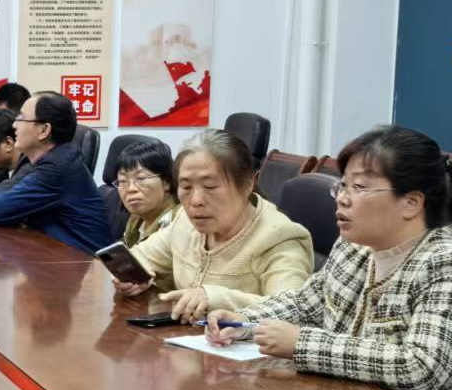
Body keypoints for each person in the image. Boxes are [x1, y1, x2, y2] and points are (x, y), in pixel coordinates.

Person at [206, 126, 452, 390]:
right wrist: (245, 321)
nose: (342, 198)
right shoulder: (354, 248)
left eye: (359, 187)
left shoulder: (446, 262)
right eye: (342, 186)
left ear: (411, 203)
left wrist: (302, 344)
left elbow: (422, 368)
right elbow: (305, 305)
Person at [117, 129, 313, 322]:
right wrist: (133, 275)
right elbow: (141, 256)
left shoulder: (280, 238)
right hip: (184, 337)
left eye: (209, 186)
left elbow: (292, 308)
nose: (196, 200)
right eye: (186, 187)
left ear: (247, 186)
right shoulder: (185, 221)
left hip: (244, 342)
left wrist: (212, 297)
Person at [0, 92, 109, 254]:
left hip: (83, 261)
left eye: (20, 118)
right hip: (58, 253)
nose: (14, 125)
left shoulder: (56, 168)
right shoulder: (58, 159)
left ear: (44, 130)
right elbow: (10, 196)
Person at [113, 138, 180, 247]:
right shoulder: (136, 219)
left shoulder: (178, 221)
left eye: (141, 178)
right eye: (123, 181)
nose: (131, 189)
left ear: (166, 181)